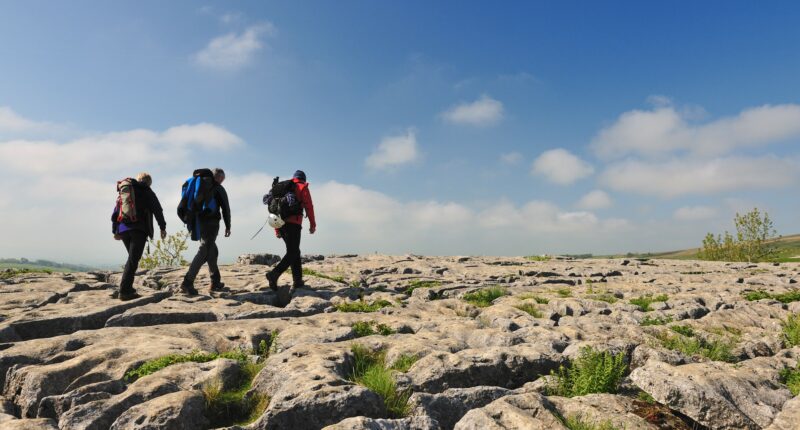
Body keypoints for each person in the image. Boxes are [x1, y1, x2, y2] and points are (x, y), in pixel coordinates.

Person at [111, 172, 167, 301]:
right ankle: (124, 291)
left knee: (132, 260)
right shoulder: (147, 191)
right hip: (139, 229)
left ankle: (128, 289)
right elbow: (158, 210)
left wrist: (115, 231)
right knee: (132, 261)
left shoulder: (125, 190)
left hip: (123, 229)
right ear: (149, 183)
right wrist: (162, 227)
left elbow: (115, 212)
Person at [266, 170, 316, 306]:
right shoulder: (302, 187)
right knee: (293, 252)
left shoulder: (282, 188)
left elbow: (274, 210)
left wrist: (277, 230)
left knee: (294, 251)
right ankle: (274, 274)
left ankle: (297, 280)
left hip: (281, 223)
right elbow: (309, 207)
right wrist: (312, 224)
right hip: (293, 224)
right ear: (303, 179)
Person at [180, 168, 231, 295]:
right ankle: (187, 282)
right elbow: (226, 208)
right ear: (218, 177)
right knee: (204, 250)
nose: (222, 181)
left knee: (212, 250)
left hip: (198, 222)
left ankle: (215, 281)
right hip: (211, 224)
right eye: (222, 179)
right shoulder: (217, 188)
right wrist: (228, 225)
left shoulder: (198, 183)